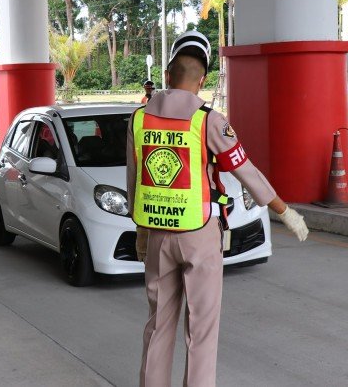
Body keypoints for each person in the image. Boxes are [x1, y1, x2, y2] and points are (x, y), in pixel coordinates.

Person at [127, 30, 310, 387]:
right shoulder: (209, 120)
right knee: (201, 331)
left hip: (157, 236)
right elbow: (245, 170)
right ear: (203, 79)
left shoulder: (139, 118)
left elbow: (135, 183)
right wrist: (284, 210)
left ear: (167, 75)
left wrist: (141, 234)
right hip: (199, 234)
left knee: (157, 325)